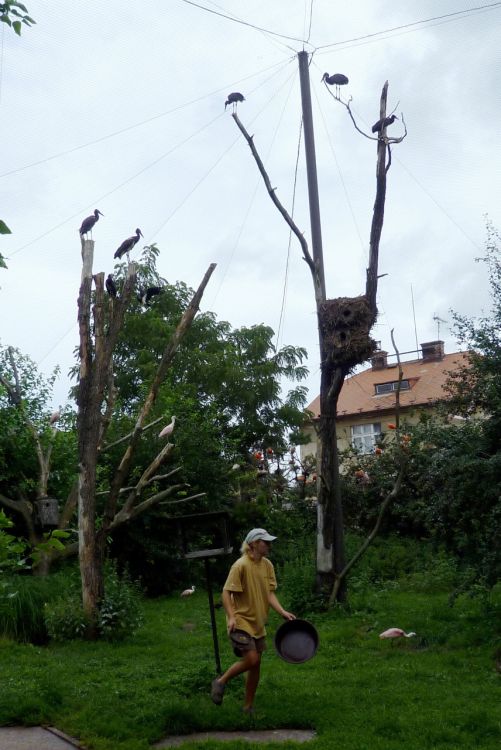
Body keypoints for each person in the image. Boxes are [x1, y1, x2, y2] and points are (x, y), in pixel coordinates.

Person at [210, 528, 295, 713]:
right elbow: (226, 593)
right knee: (252, 659)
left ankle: (247, 707)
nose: (269, 545)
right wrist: (232, 616)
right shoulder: (240, 565)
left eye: (269, 542)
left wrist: (282, 611)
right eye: (266, 542)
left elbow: (269, 593)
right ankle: (220, 681)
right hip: (240, 621)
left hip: (258, 622)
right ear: (254, 544)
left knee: (256, 665)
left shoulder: (268, 565)